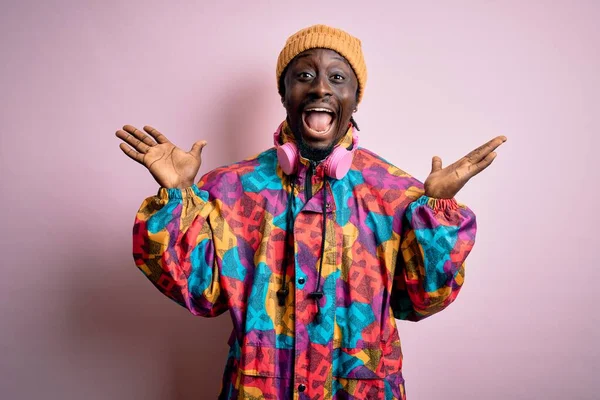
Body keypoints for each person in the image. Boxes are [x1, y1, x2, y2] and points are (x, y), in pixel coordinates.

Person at [115, 24, 506, 400]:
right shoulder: (231, 190)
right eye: (304, 75)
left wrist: (437, 215)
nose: (320, 87)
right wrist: (177, 195)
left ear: (355, 97)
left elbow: (421, 299)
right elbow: (199, 291)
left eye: (338, 78)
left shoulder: (394, 193)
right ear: (284, 93)